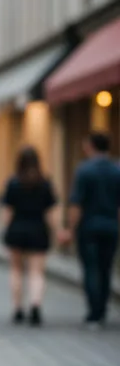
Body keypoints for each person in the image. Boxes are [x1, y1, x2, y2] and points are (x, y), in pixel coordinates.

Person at [60, 132, 120, 328]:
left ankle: (94, 313)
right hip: (111, 227)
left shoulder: (84, 170)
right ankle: (102, 309)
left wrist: (70, 228)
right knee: (106, 268)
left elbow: (76, 205)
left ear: (91, 146)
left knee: (91, 269)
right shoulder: (116, 169)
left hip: (89, 228)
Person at [1, 147, 59, 326]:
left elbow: (7, 212)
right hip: (38, 230)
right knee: (37, 272)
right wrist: (57, 232)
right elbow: (50, 213)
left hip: (17, 229)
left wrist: (5, 229)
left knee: (16, 270)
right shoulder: (45, 183)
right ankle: (35, 306)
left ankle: (18, 309)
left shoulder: (13, 182)